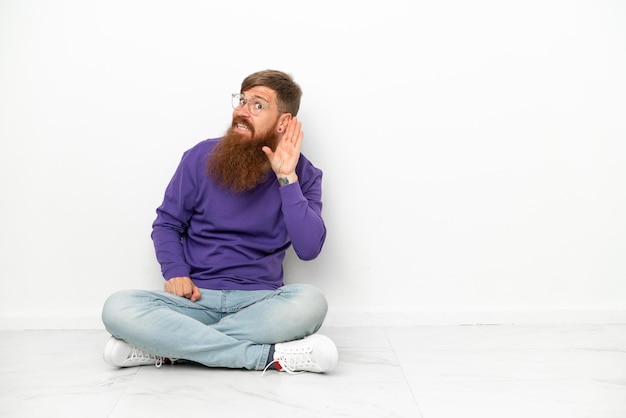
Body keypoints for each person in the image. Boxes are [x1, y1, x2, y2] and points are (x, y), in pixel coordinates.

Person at [101, 69, 338, 374]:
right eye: (241, 100)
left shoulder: (303, 175)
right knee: (117, 307)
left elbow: (308, 248)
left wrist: (286, 179)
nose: (241, 111)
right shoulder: (199, 158)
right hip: (195, 301)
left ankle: (169, 348)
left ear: (284, 122)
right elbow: (168, 224)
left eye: (258, 105)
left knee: (311, 302)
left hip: (260, 304)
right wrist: (175, 271)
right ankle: (266, 358)